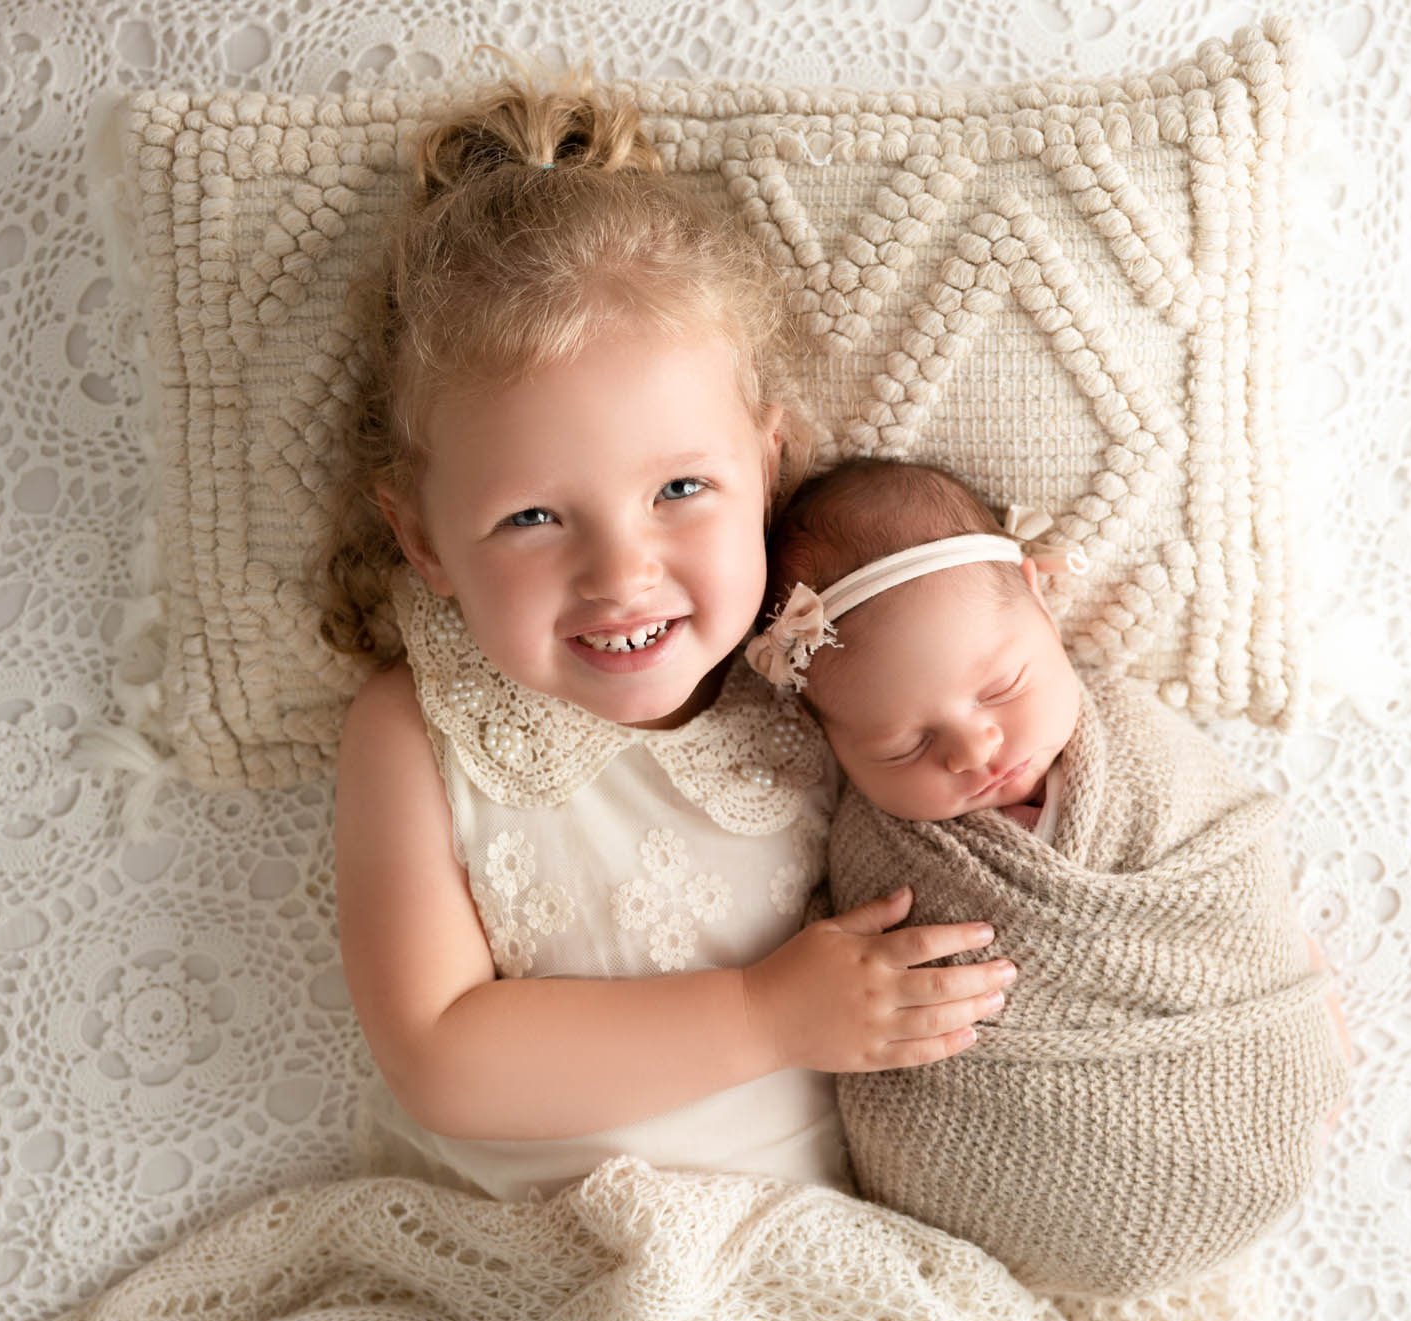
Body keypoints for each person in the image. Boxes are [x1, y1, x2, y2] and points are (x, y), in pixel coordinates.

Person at [311, 64, 1017, 1205]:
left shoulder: (820, 675)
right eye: (531, 517)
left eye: (680, 488)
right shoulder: (416, 730)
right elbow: (438, 1057)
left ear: (766, 467)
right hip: (526, 1249)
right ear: (424, 539)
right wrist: (766, 1014)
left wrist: (1220, 946)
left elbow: (1025, 803)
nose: (619, 575)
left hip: (803, 1242)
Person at [747, 456, 1352, 1302]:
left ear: (1040, 599)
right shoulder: (879, 854)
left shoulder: (1144, 751)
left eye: (1002, 687)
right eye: (904, 745)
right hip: (995, 1185)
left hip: (1242, 1084)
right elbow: (870, 1001)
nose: (974, 751)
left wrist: (1282, 976)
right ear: (835, 745)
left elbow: (1233, 873)